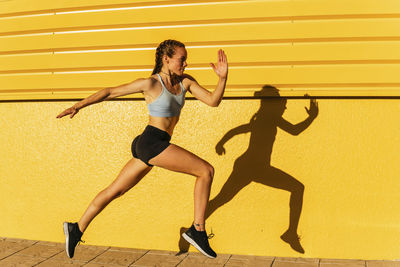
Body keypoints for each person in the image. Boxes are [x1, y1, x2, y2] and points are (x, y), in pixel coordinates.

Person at [56, 39, 228, 259]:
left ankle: (76, 228)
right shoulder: (151, 84)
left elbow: (213, 101)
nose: (185, 64)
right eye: (181, 59)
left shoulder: (186, 82)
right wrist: (78, 105)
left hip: (152, 144)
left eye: (186, 59)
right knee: (206, 171)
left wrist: (222, 79)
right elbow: (110, 92)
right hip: (152, 142)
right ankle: (197, 230)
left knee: (115, 191)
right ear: (166, 59)